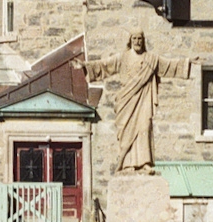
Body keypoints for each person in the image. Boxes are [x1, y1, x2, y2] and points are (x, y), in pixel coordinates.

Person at [76, 29, 192, 173]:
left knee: (144, 128)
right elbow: (105, 65)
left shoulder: (151, 59)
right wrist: (86, 66)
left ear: (143, 41)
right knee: (126, 131)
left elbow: (168, 65)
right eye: (135, 38)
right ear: (130, 40)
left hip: (143, 99)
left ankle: (144, 163)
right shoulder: (122, 58)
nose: (137, 41)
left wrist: (187, 63)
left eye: (140, 39)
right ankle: (127, 164)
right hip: (127, 99)